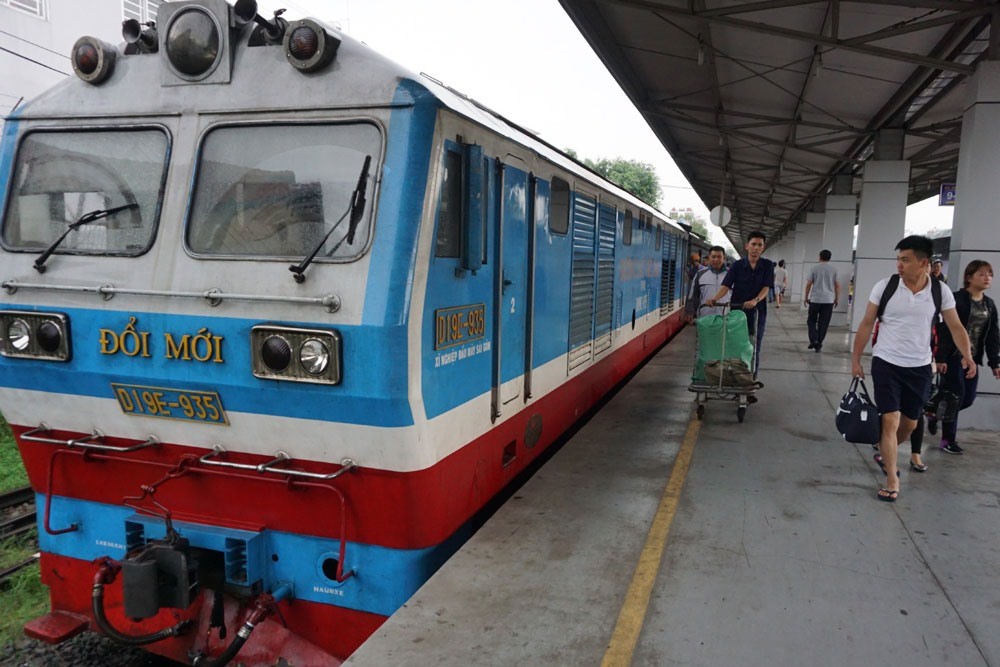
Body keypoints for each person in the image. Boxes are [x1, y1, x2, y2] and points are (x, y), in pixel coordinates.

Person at [851, 235, 975, 503]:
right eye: (898, 259)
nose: (899, 264)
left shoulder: (940, 291)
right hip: (886, 362)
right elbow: (866, 323)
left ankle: (885, 451)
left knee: (909, 423)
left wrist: (967, 355)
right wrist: (856, 360)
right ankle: (892, 478)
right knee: (890, 419)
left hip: (919, 366)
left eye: (905, 260)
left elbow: (955, 326)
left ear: (923, 263)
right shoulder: (885, 287)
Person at [930, 260, 1000, 454]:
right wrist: (941, 358)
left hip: (973, 359)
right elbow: (945, 330)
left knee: (968, 398)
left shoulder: (989, 305)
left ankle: (935, 412)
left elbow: (993, 335)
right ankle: (948, 440)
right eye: (982, 274)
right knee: (956, 395)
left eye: (990, 275)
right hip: (953, 357)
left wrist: (995, 362)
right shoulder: (956, 299)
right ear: (969, 277)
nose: (987, 278)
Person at [705, 230, 774, 376]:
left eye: (759, 245)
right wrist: (715, 299)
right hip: (737, 312)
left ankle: (751, 376)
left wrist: (755, 300)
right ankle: (736, 375)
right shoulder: (737, 266)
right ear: (747, 246)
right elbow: (726, 285)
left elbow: (766, 287)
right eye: (753, 244)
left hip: (758, 312)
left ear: (763, 247)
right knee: (736, 343)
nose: (756, 248)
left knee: (754, 344)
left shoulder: (767, 265)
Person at [803, 249, 840, 352]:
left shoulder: (814, 268)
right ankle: (819, 342)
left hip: (815, 299)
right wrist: (837, 298)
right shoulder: (834, 269)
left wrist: (806, 297)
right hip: (828, 300)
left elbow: (809, 284)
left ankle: (814, 339)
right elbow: (837, 285)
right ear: (830, 258)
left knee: (811, 320)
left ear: (819, 257)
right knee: (824, 323)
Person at [685, 245, 729, 321]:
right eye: (713, 257)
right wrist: (690, 311)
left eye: (719, 257)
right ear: (709, 257)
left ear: (724, 258)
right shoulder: (700, 274)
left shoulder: (731, 274)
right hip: (704, 318)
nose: (716, 259)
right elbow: (693, 294)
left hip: (725, 318)